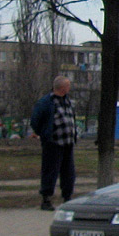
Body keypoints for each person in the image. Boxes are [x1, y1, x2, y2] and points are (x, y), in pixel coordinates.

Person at [30, 75, 77, 210]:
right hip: (53, 143)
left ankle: (67, 197)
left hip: (68, 143)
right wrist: (44, 134)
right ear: (62, 87)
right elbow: (35, 121)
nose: (69, 88)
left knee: (68, 172)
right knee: (50, 171)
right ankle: (46, 199)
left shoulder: (68, 101)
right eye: (68, 85)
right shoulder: (46, 102)